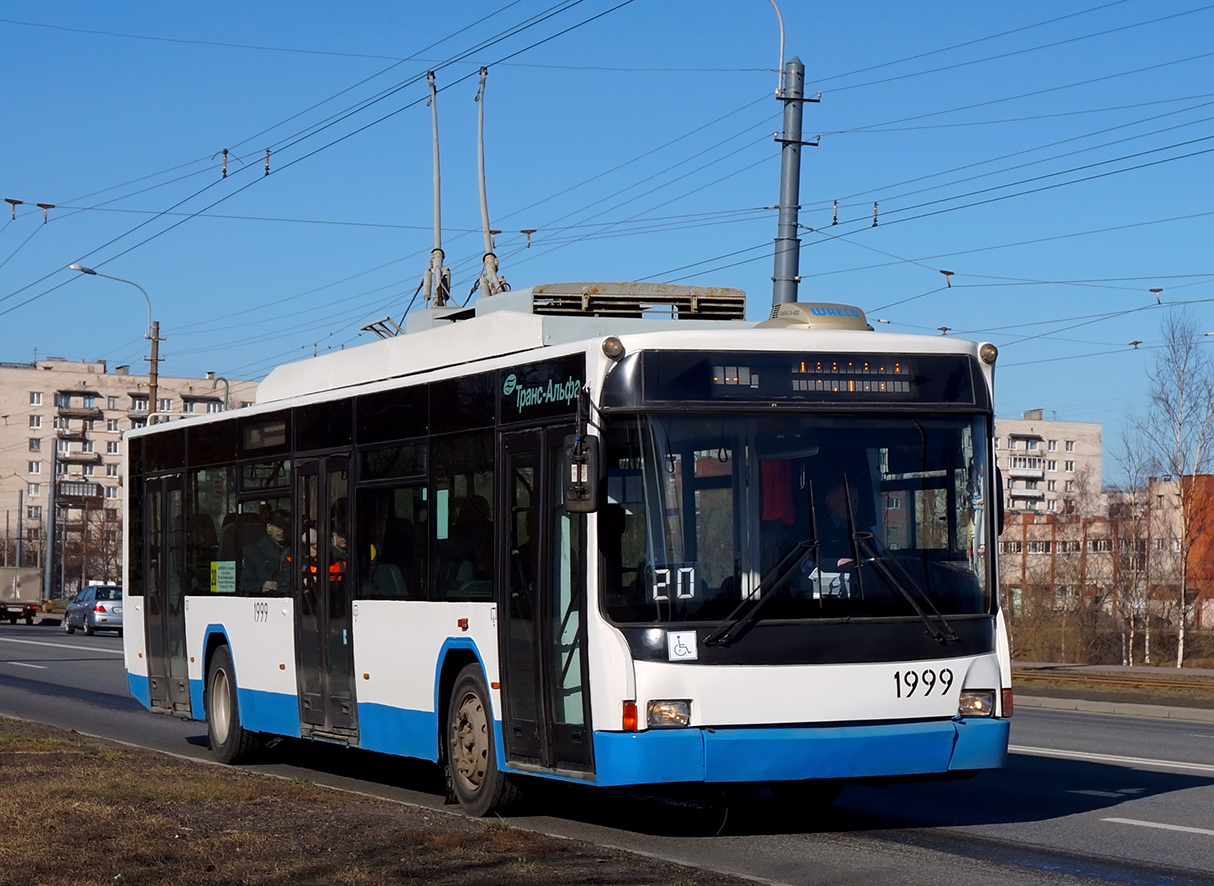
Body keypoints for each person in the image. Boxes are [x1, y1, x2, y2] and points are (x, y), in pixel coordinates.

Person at [240, 508, 291, 594]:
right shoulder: (253, 551)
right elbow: (244, 585)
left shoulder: (297, 550)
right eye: (278, 526)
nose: (282, 531)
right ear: (269, 528)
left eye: (285, 527)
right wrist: (261, 586)